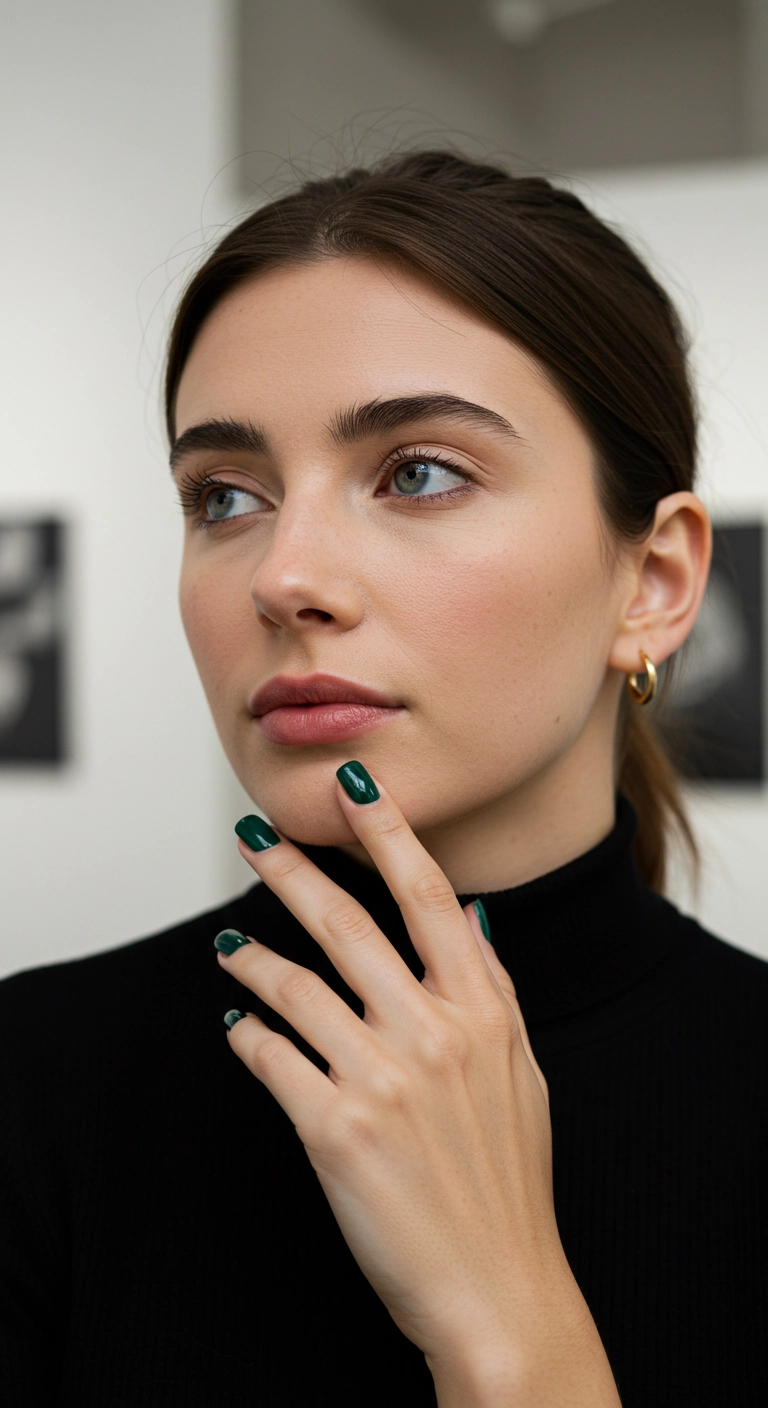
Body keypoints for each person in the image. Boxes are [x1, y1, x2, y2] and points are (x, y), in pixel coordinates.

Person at [1, 151, 766, 1408]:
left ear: (655, 582)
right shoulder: (36, 1084)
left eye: (418, 472)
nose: (283, 575)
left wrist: (512, 1336)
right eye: (225, 495)